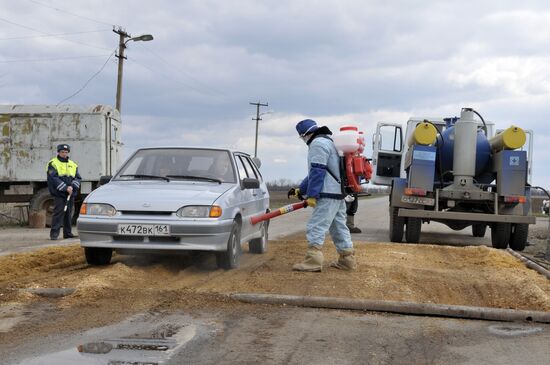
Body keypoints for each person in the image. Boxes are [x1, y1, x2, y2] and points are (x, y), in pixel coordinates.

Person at [289, 119, 357, 272]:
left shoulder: (317, 144)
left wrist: (312, 194)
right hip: (338, 192)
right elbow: (321, 171)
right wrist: (301, 189)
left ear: (305, 135)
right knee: (338, 227)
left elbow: (317, 170)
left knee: (316, 226)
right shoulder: (329, 141)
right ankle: (347, 260)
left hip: (327, 193)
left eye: (302, 137)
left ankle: (313, 261)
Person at [47, 144, 81, 240]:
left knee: (68, 213)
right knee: (58, 213)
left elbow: (78, 178)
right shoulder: (53, 163)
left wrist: (73, 187)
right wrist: (65, 188)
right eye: (62, 152)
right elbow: (53, 178)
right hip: (59, 193)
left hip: (70, 193)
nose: (64, 154)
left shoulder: (73, 164)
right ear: (58, 152)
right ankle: (54, 234)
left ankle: (68, 233)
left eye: (66, 152)